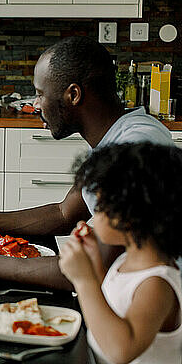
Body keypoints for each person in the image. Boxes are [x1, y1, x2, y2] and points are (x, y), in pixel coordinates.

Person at [0, 36, 174, 290]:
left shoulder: (135, 148)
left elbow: (95, 267)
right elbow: (63, 213)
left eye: (40, 94)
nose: (35, 105)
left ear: (74, 95)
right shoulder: (115, 139)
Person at [59, 143, 182, 364]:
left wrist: (83, 280)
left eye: (98, 207)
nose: (93, 216)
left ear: (129, 217)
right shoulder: (129, 259)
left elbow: (121, 350)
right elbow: (110, 303)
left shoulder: (156, 284)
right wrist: (93, 260)